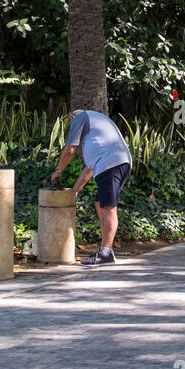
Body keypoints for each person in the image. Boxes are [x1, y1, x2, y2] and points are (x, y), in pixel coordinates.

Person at [52, 109, 132, 267]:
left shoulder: (80, 118)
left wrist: (58, 171)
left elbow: (70, 150)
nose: (72, 125)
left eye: (71, 121)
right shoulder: (97, 124)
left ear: (73, 117)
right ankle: (105, 250)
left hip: (111, 164)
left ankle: (106, 253)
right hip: (117, 163)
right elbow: (89, 169)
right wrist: (75, 190)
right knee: (99, 203)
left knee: (108, 207)